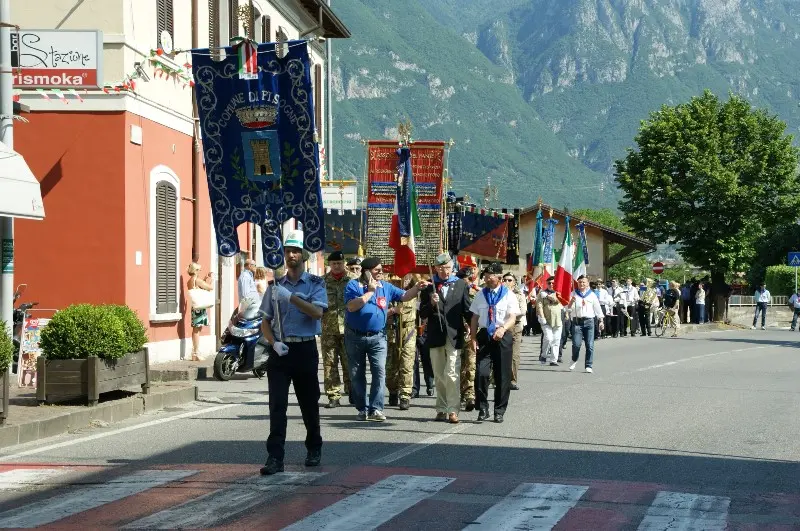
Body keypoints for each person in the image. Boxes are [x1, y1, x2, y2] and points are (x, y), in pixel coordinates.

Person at [258, 229, 327, 475]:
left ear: (304, 255)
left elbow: (317, 313)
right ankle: (275, 457)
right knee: (277, 406)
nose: (291, 255)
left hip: (305, 348)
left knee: (309, 404)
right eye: (288, 251)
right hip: (281, 350)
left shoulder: (315, 284)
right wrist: (272, 342)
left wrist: (291, 298)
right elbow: (265, 321)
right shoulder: (274, 285)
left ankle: (314, 447)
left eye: (296, 251)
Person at [344, 256, 428, 422]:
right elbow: (351, 306)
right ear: (367, 272)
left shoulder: (386, 287)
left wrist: (417, 288)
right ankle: (362, 409)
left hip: (378, 337)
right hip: (355, 337)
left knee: (379, 372)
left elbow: (404, 296)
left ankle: (376, 408)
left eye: (381, 270)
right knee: (356, 374)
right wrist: (370, 292)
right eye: (377, 270)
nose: (381, 273)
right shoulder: (353, 285)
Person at [420, 253, 472, 423]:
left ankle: (452, 409)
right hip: (435, 335)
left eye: (448, 268)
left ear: (452, 267)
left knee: (452, 372)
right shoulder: (429, 286)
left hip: (454, 335)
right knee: (439, 374)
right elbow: (422, 313)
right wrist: (431, 304)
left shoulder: (460, 285)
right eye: (441, 268)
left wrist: (473, 327)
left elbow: (467, 310)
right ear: (435, 268)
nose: (445, 271)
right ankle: (441, 408)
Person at [469, 262, 519, 423]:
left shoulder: (508, 294)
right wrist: (473, 337)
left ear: (498, 277)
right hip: (484, 335)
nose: (487, 278)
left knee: (502, 376)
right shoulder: (480, 294)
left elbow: (512, 317)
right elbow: (475, 317)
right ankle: (483, 408)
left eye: (490, 276)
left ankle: (499, 410)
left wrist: (503, 328)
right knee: (481, 373)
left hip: (502, 335)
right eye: (486, 276)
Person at [321, 251, 351, 408]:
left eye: (339, 263)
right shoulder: (322, 282)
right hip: (328, 329)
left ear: (344, 263)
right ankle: (333, 395)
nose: (337, 266)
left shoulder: (353, 280)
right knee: (330, 363)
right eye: (334, 264)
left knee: (350, 362)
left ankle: (352, 390)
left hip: (349, 329)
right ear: (329, 265)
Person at [385, 274, 419, 411]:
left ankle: (405, 395)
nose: (404, 279)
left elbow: (422, 311)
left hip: (409, 332)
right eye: (400, 277)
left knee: (407, 364)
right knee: (391, 367)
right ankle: (393, 390)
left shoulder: (415, 294)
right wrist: (393, 310)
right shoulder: (387, 292)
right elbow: (378, 311)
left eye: (408, 277)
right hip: (391, 332)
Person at [568, 275, 604, 373]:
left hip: (589, 322)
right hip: (577, 322)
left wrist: (601, 321)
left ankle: (588, 365)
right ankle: (574, 359)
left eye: (584, 282)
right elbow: (567, 309)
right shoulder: (573, 294)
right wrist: (571, 302)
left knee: (590, 345)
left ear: (587, 283)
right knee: (576, 344)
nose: (582, 284)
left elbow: (597, 309)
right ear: (577, 283)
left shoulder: (592, 295)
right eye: (580, 282)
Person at [457, 266, 479, 410]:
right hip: (458, 333)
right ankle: (459, 393)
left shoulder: (477, 294)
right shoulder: (456, 292)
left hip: (471, 333)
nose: (466, 281)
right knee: (458, 366)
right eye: (463, 278)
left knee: (471, 364)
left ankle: (470, 395)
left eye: (468, 278)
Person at [186, 262, 213, 362]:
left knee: (196, 329)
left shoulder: (190, 281)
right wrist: (210, 280)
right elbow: (210, 288)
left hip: (195, 307)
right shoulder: (197, 280)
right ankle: (196, 353)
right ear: (196, 270)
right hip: (199, 308)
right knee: (197, 330)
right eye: (199, 269)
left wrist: (205, 280)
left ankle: (195, 353)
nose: (200, 271)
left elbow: (199, 289)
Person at [504, 273, 526, 390]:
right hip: (501, 325)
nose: (506, 282)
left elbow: (523, 310)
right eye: (505, 280)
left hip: (515, 326)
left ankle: (512, 380)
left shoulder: (519, 295)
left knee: (514, 354)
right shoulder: (499, 293)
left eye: (509, 280)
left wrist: (510, 314)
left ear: (514, 282)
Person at [536, 277, 562, 366]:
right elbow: (539, 305)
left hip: (557, 320)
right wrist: (542, 317)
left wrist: (547, 296)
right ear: (546, 284)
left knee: (556, 340)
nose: (551, 284)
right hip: (546, 320)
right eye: (549, 283)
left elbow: (558, 301)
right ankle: (543, 355)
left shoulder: (559, 292)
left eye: (553, 283)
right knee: (548, 338)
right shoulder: (541, 293)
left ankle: (553, 360)